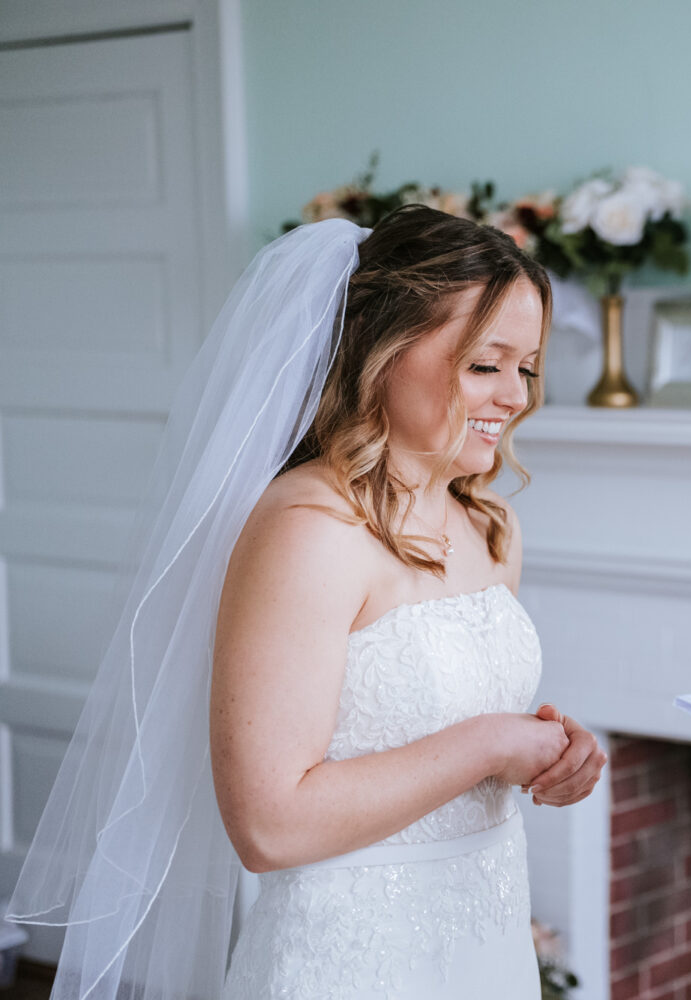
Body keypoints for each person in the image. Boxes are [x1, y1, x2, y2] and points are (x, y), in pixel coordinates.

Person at [7, 206, 605, 999]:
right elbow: (268, 824)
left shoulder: (491, 527)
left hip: (483, 944)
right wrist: (492, 745)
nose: (514, 396)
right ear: (383, 349)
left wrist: (550, 753)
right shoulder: (309, 527)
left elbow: (452, 741)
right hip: (352, 961)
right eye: (483, 364)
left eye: (526, 368)